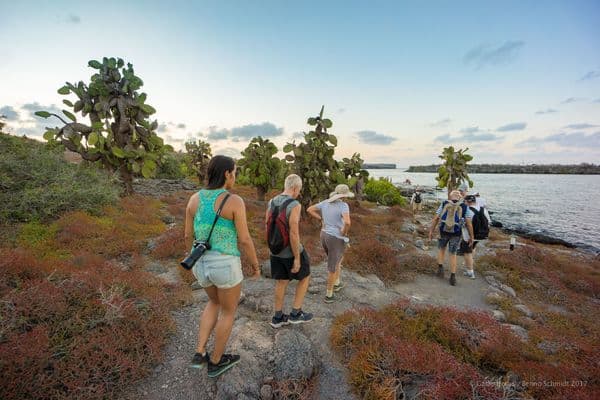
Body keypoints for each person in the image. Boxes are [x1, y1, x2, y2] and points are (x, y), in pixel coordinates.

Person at [184, 155, 260, 378]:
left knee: (213, 301)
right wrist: (255, 266)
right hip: (224, 264)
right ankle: (216, 361)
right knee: (228, 311)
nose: (235, 177)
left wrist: (191, 258)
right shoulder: (234, 201)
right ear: (227, 174)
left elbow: (188, 234)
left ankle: (200, 352)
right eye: (234, 172)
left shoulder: (194, 199)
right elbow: (245, 239)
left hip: (200, 262)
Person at [266, 174, 313, 327]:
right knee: (305, 277)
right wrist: (297, 258)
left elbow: (267, 225)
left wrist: (273, 247)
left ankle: (278, 317)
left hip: (275, 250)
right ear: (294, 188)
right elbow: (293, 232)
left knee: (281, 282)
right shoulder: (294, 205)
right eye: (298, 190)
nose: (298, 193)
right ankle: (296, 313)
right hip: (289, 252)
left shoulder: (271, 201)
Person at [307, 184, 352, 303]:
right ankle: (329, 295)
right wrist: (344, 232)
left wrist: (321, 219)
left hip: (324, 235)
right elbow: (347, 223)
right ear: (344, 196)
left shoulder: (325, 202)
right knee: (333, 265)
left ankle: (337, 283)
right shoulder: (344, 205)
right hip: (336, 238)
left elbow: (309, 209)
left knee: (337, 258)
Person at [428, 190, 474, 286]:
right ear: (460, 197)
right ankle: (452, 277)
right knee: (453, 254)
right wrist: (471, 236)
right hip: (456, 233)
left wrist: (431, 231)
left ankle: (440, 270)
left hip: (443, 231)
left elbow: (436, 217)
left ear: (450, 196)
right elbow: (469, 223)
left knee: (441, 249)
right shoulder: (465, 207)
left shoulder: (444, 203)